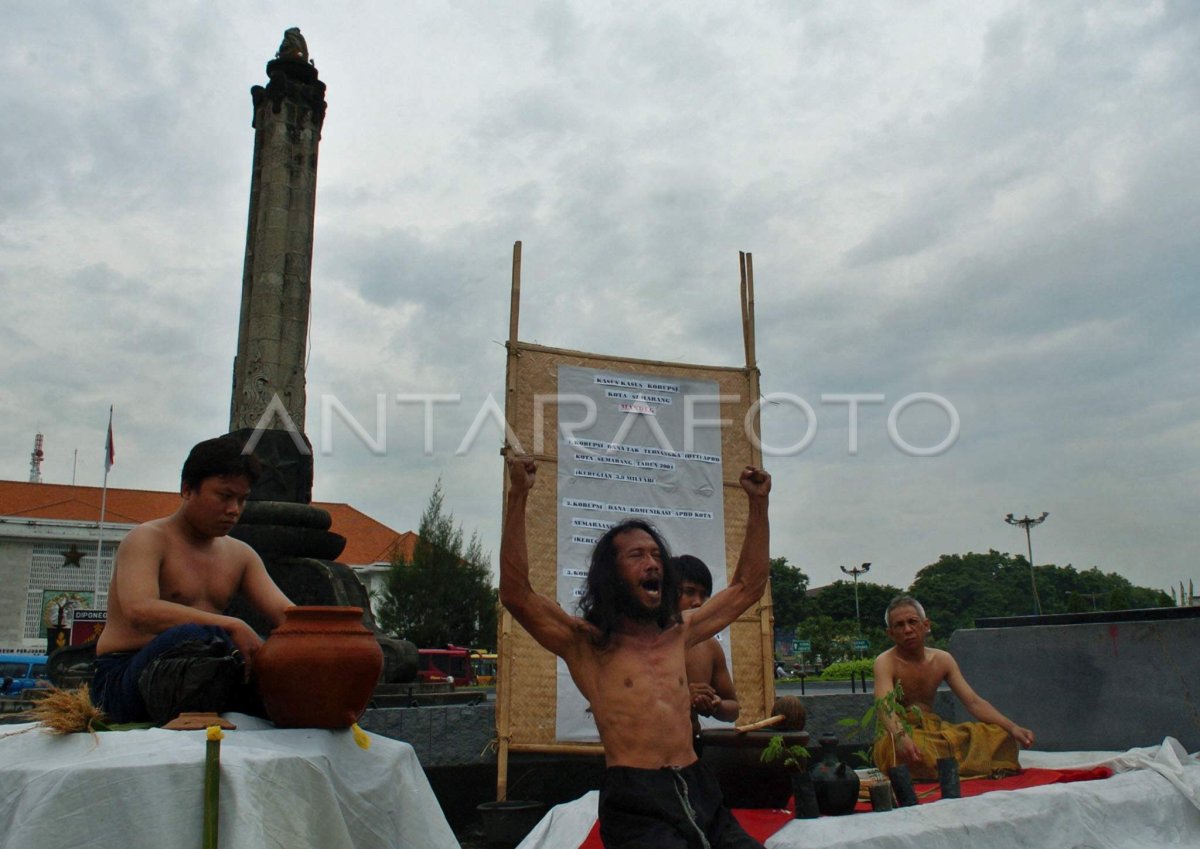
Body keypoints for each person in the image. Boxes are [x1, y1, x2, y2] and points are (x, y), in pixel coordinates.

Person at [500, 455, 771, 849]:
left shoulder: (680, 634)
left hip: (699, 785)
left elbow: (748, 586)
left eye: (656, 555)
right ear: (612, 575)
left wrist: (759, 504)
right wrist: (518, 495)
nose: (652, 563)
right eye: (637, 556)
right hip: (636, 800)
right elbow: (516, 594)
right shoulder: (586, 644)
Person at [92, 436, 293, 724]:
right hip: (126, 679)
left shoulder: (241, 554)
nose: (234, 509)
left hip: (210, 674)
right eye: (224, 496)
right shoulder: (147, 539)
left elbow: (288, 617)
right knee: (201, 636)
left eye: (242, 499)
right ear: (187, 489)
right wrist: (230, 624)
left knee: (271, 656)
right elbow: (139, 611)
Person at [872, 594, 1035, 779]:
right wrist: (901, 737)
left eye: (912, 622)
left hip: (934, 732)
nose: (908, 629)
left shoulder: (942, 659)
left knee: (1001, 735)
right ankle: (951, 766)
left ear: (926, 625)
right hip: (900, 734)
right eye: (899, 625)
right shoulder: (885, 662)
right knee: (913, 749)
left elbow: (973, 702)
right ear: (890, 633)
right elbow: (884, 707)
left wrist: (1012, 727)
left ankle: (945, 766)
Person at [673, 554, 739, 739]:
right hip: (645, 754)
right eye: (690, 592)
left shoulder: (709, 647)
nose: (698, 602)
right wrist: (683, 698)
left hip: (692, 748)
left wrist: (716, 704)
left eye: (704, 595)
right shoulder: (642, 641)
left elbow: (733, 708)